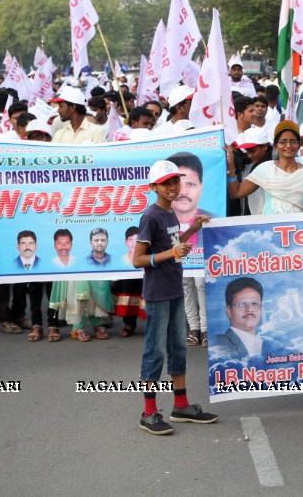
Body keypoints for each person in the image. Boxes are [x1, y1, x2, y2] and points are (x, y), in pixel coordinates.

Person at [132, 160, 216, 435]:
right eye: (166, 183)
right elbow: (138, 260)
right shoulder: (151, 216)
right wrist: (172, 254)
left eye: (175, 181)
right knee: (154, 353)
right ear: (153, 186)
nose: (172, 187)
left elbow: (174, 242)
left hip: (174, 290)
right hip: (157, 295)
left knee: (178, 349)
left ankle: (180, 405)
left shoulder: (168, 214)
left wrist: (193, 229)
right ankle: (148, 413)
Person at [227, 121, 303, 215]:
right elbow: (236, 193)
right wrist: (231, 164)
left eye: (293, 141)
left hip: (298, 229)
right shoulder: (265, 169)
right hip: (269, 229)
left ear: (299, 145)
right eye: (283, 141)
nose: (288, 145)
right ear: (275, 146)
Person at [168, 151, 212, 347]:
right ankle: (193, 328)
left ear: (201, 187)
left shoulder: (212, 218)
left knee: (201, 285)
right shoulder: (164, 217)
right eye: (179, 184)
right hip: (178, 256)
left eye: (191, 184)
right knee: (185, 285)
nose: (183, 191)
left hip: (201, 255)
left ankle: (205, 329)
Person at [51, 228, 113, 342]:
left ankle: (97, 323)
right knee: (81, 297)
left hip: (95, 265)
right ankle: (77, 328)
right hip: (78, 266)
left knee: (97, 295)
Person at [210, 278, 284, 362]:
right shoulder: (217, 344)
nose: (250, 309)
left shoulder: (268, 346)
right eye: (242, 304)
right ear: (228, 310)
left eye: (254, 304)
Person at [113, 226, 147, 337]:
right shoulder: (121, 259)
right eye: (130, 239)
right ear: (125, 241)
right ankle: (129, 323)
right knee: (127, 294)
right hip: (126, 275)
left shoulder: (147, 258)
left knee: (147, 294)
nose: (133, 243)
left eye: (137, 240)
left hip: (144, 271)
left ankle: (154, 326)